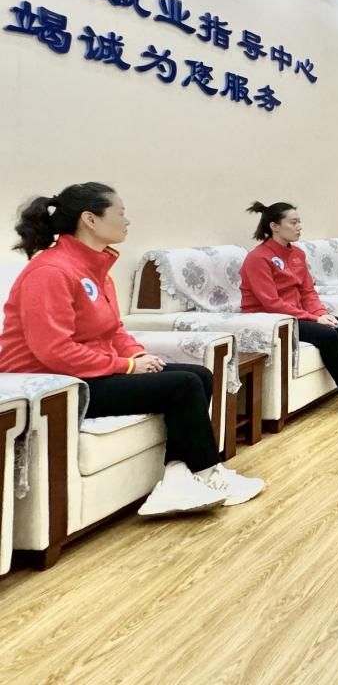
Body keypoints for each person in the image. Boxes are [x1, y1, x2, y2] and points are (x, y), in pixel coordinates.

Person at [0, 183, 264, 516]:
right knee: (182, 385)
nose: (127, 222)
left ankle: (178, 477)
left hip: (89, 371)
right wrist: (124, 366)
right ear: (90, 219)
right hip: (55, 384)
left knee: (198, 374)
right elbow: (53, 350)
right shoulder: (50, 271)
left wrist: (136, 355)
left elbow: (113, 330)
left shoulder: (96, 270)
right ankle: (206, 473)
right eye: (120, 214)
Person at [241, 201, 338, 407]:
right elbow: (271, 303)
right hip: (271, 319)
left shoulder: (297, 254)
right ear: (274, 226)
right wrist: (314, 319)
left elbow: (308, 291)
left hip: (296, 314)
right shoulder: (258, 258)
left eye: (299, 222)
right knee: (327, 334)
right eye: (293, 222)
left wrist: (321, 313)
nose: (299, 227)